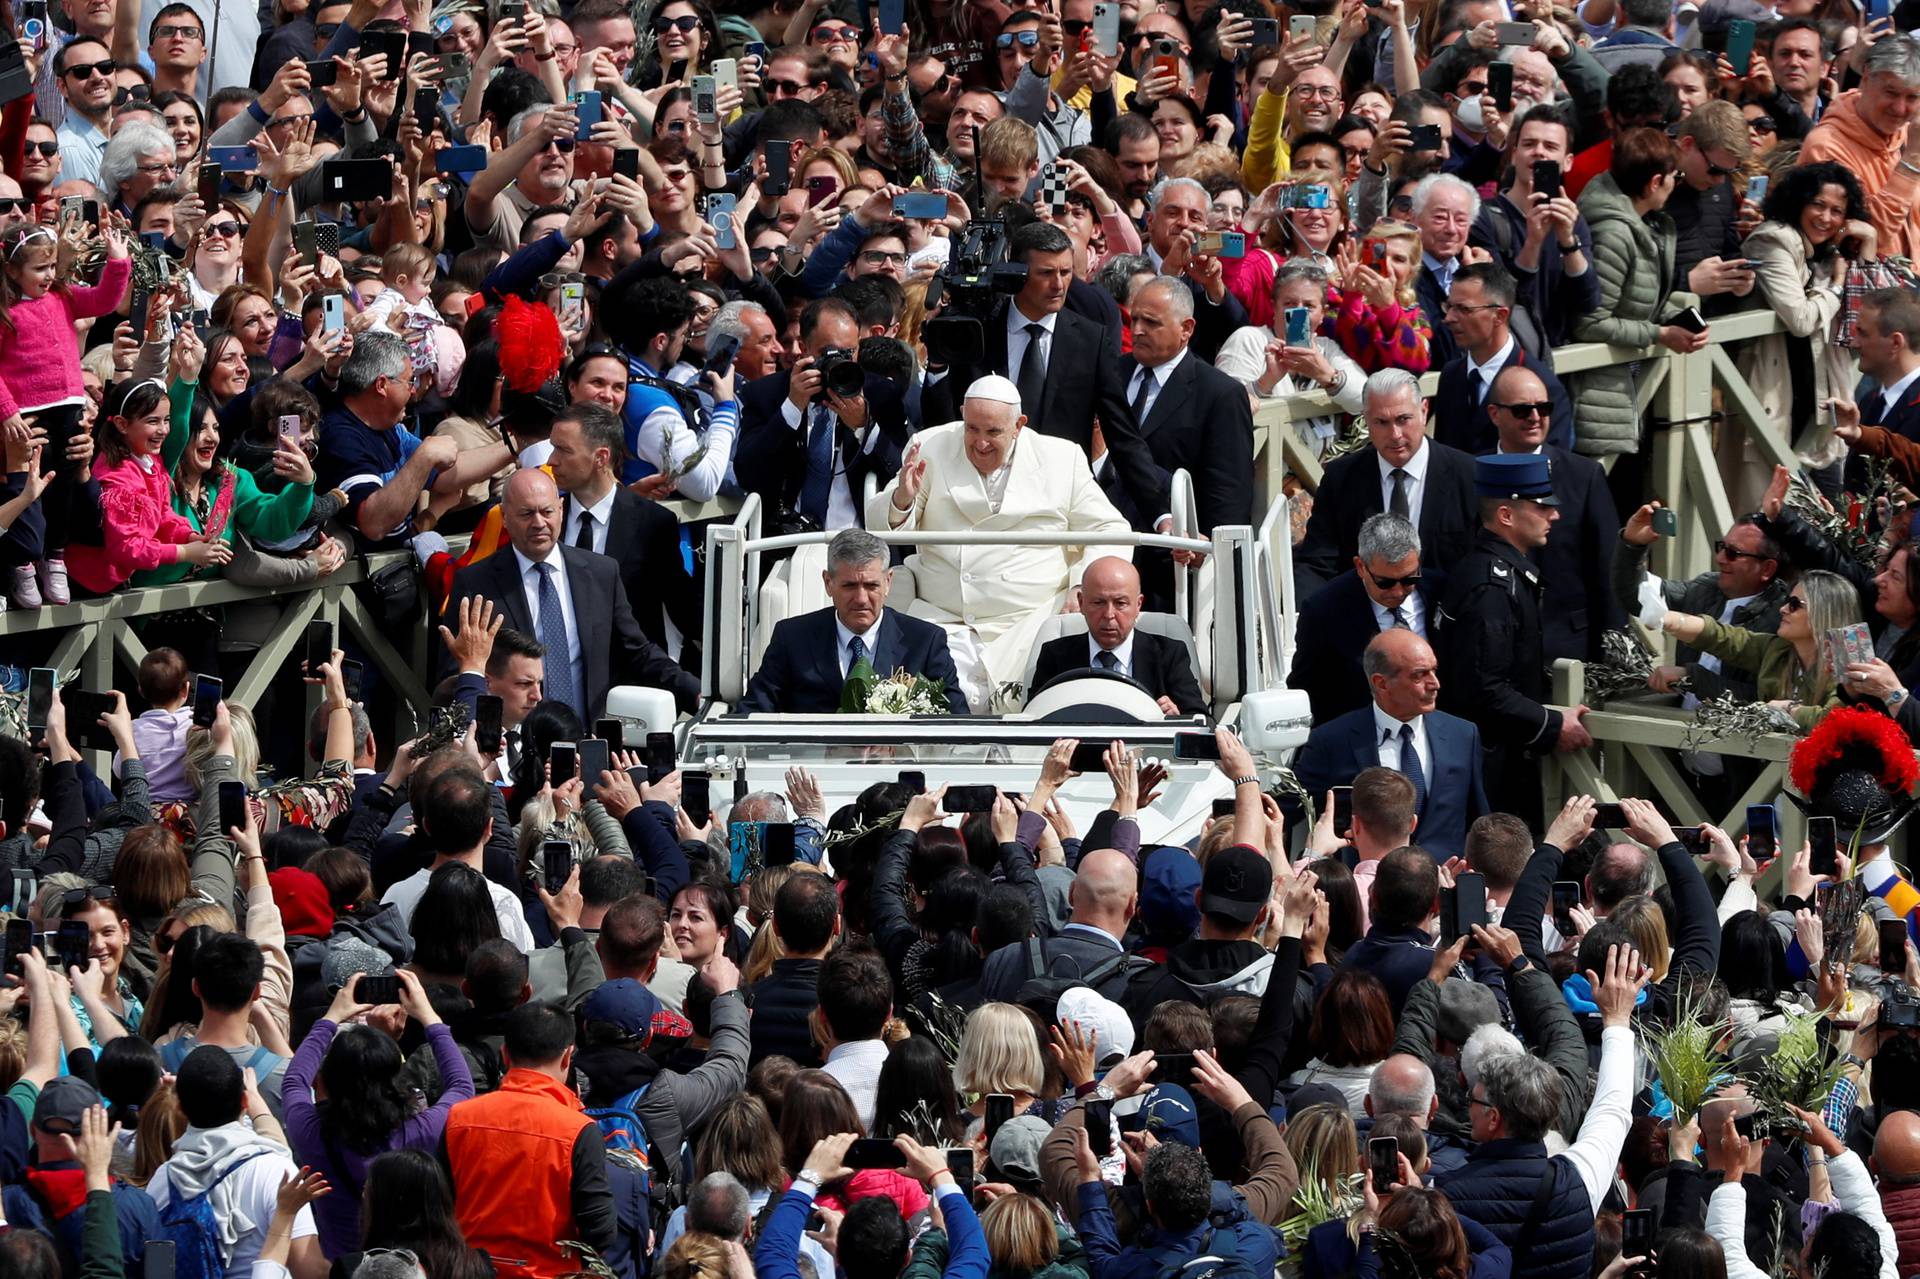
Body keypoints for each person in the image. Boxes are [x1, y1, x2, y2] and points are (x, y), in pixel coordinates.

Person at [867, 376, 1132, 710]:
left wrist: (1080, 585)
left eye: (992, 432)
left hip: (1031, 622)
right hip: (947, 618)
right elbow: (880, 529)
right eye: (972, 429)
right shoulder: (930, 446)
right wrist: (902, 497)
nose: (980, 443)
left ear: (1019, 425)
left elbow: (1111, 528)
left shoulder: (1061, 458)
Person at [918, 222, 1168, 522]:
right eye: (1046, 273)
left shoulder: (1091, 341)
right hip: (977, 502)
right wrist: (938, 362)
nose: (1059, 285)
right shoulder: (979, 329)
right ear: (1017, 274)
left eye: (1065, 272)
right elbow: (941, 422)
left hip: (1056, 505)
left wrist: (1161, 514)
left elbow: (1122, 435)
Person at [442, 469, 700, 723]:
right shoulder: (476, 583)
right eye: (526, 514)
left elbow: (638, 651)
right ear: (505, 518)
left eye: (547, 511)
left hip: (590, 741)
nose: (539, 523)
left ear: (561, 511)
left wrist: (696, 692)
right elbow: (460, 672)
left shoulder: (602, 573)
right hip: (513, 747)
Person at [1436, 453, 1590, 825]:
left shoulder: (1497, 572)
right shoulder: (1491, 585)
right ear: (1506, 515)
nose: (1553, 515)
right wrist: (1552, 724)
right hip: (1491, 766)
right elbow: (1484, 689)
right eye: (1541, 507)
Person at [442, 1002, 615, 1279]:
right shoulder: (579, 1130)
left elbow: (439, 1205)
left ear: (504, 1054)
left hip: (467, 1270)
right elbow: (600, 1229)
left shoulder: (459, 1118)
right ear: (568, 1057)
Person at [1294, 629, 1488, 863]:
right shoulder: (1332, 742)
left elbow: (1479, 820)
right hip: (1367, 891)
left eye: (1434, 671)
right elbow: (1285, 808)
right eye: (1419, 675)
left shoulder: (1463, 735)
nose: (1434, 684)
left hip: (1445, 885)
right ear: (1381, 683)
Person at [737, 527, 969, 714]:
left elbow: (958, 723)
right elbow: (753, 712)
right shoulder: (792, 637)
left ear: (888, 582)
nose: (860, 598)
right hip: (814, 769)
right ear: (828, 583)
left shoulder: (925, 642)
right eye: (849, 586)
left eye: (871, 585)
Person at [1294, 369, 1479, 597]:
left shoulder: (1469, 476)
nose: (1395, 434)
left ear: (1423, 411)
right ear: (1366, 420)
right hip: (1363, 623)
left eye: (1403, 419)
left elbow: (1481, 565)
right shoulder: (1341, 478)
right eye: (1381, 422)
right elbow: (1317, 563)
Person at [144, 1046, 324, 1279]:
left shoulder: (163, 1179)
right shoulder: (277, 1171)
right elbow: (309, 1271)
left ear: (180, 1108)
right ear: (244, 1100)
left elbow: (156, 1270)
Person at [733, 297, 912, 530]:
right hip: (784, 543)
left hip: (858, 545)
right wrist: (791, 409)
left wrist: (863, 427)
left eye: (849, 352)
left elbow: (899, 470)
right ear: (805, 348)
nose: (840, 361)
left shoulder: (879, 394)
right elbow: (747, 474)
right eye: (829, 352)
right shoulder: (767, 393)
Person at [1486, 365, 1623, 664]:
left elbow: (1607, 571)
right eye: (1523, 410)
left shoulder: (1584, 476)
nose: (1535, 417)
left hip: (1568, 653)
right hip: (1492, 653)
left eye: (1544, 408)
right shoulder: (1470, 474)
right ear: (1495, 414)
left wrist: (1612, 654)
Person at [546, 402, 697, 654]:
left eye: (563, 450)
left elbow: (683, 608)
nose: (552, 460)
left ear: (601, 457)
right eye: (553, 448)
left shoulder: (652, 524)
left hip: (629, 677)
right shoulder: (547, 517)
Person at [1617, 508, 1788, 703]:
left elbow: (1762, 700)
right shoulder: (1705, 588)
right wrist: (1632, 544)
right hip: (1680, 725)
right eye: (1721, 547)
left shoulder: (1782, 619)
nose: (1720, 558)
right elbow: (1637, 595)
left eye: (1733, 553)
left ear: (1767, 569)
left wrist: (1692, 677)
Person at [1289, 513, 1447, 723]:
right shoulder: (1323, 611)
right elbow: (1307, 689)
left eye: (1409, 579)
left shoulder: (1443, 591)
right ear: (1361, 567)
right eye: (1386, 583)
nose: (1399, 591)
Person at [1028, 555, 1205, 716]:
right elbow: (1031, 718)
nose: (1109, 614)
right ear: (1081, 603)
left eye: (1120, 603)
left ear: (1138, 605)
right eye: (1098, 603)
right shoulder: (1056, 655)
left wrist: (1177, 719)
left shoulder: (1169, 654)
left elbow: (1202, 723)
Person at [1431, 262, 1574, 456]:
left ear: (1499, 316)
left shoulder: (1543, 386)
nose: (1449, 318)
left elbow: (1553, 468)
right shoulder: (1452, 375)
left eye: (1464, 309)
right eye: (1449, 307)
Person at [1801, 36, 1920, 263]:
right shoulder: (1826, 146)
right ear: (1865, 77)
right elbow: (1867, 236)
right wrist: (1911, 161)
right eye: (1891, 93)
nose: (1900, 108)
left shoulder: (1909, 134)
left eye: (1912, 97)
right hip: (1867, 291)